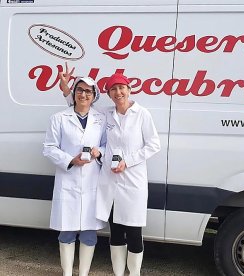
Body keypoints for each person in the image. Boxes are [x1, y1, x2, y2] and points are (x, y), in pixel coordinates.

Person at [60, 65, 161, 276]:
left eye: (122, 88)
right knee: (115, 231)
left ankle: (134, 274)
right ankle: (118, 273)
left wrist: (128, 161)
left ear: (129, 89)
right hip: (110, 181)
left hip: (133, 181)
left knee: (133, 231)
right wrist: (66, 89)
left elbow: (153, 145)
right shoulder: (105, 114)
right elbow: (79, 107)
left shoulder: (142, 114)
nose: (118, 93)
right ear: (108, 94)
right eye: (113, 89)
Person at [43, 76, 107, 276]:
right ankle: (67, 273)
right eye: (80, 90)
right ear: (74, 93)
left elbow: (107, 145)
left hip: (91, 180)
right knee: (67, 230)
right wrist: (71, 160)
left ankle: (84, 273)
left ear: (94, 95)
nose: (84, 94)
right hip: (68, 179)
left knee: (89, 231)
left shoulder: (101, 119)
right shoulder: (59, 118)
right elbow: (49, 148)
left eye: (88, 91)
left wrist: (100, 152)